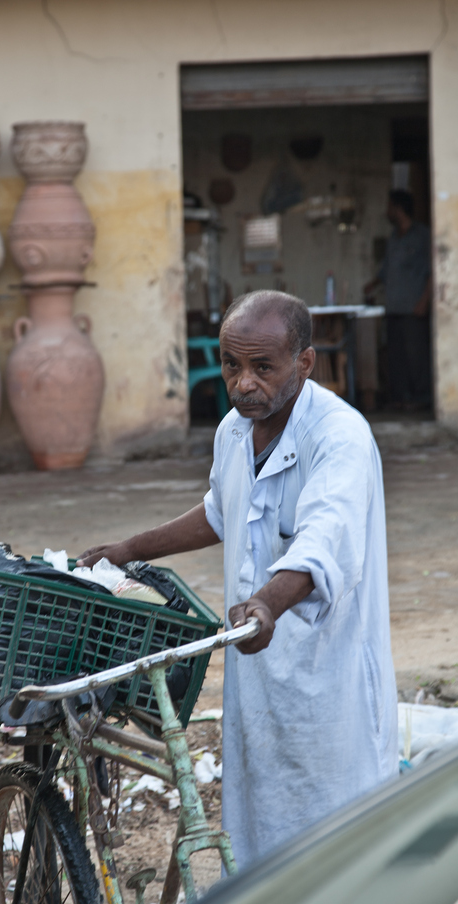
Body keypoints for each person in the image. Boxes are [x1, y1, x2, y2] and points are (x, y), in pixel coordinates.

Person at [78, 290, 398, 869]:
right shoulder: (233, 431)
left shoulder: (338, 438)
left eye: (262, 367)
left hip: (330, 681)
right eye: (232, 365)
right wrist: (130, 548)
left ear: (305, 363)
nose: (243, 383)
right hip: (256, 672)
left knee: (335, 847)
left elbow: (322, 542)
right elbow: (221, 511)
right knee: (260, 839)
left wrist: (269, 604)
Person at [364, 189, 432, 408]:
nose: (387, 211)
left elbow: (434, 271)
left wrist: (424, 300)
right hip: (393, 308)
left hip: (414, 309)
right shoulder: (394, 238)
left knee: (417, 357)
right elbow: (386, 271)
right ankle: (402, 400)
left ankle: (422, 400)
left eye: (389, 206)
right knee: (396, 358)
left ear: (399, 208)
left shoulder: (422, 236)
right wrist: (372, 285)